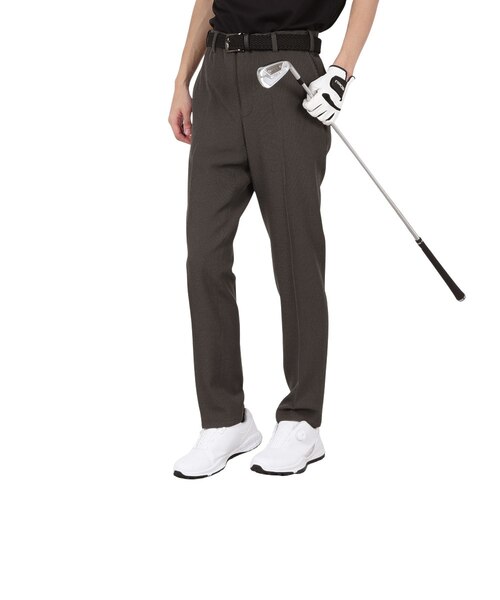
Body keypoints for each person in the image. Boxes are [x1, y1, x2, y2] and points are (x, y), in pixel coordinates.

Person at [169, 0, 379, 478]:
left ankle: (302, 420)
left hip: (287, 75)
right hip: (217, 77)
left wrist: (341, 72)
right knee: (204, 257)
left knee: (295, 253)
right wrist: (182, 79)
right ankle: (225, 420)